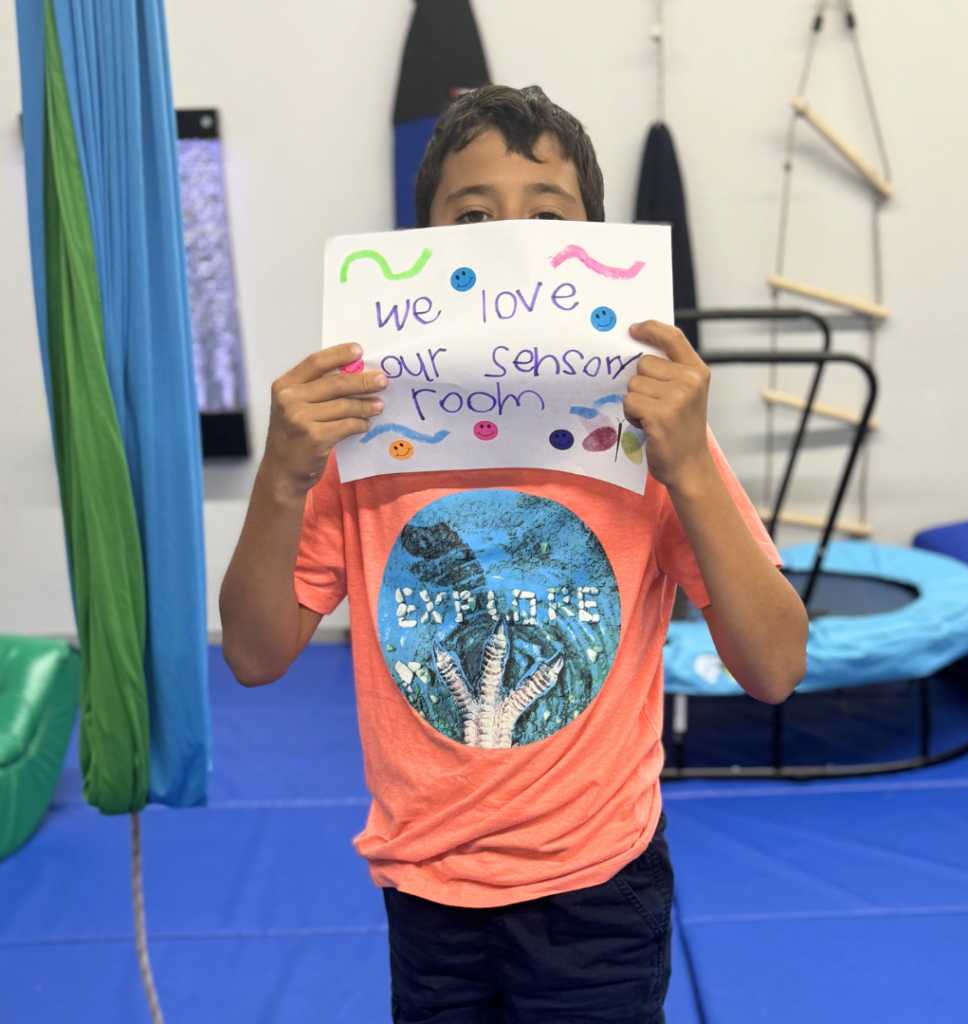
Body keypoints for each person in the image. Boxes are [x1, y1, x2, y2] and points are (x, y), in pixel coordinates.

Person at [220, 85, 808, 1024]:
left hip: (597, 886)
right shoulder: (362, 446)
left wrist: (691, 467)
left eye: (546, 213)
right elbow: (253, 657)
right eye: (473, 214)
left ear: (596, 250)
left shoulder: (648, 440)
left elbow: (776, 666)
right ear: (425, 252)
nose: (506, 236)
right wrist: (282, 478)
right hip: (425, 886)